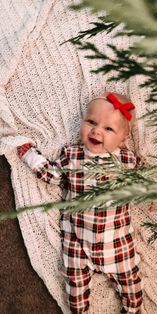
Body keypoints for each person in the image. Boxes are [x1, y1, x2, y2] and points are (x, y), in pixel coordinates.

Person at [17, 92, 143, 314]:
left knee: (132, 289)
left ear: (123, 140)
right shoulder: (72, 155)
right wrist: (31, 156)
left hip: (117, 244)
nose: (96, 131)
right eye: (91, 122)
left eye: (108, 129)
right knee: (74, 290)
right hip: (78, 243)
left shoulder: (127, 161)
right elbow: (53, 175)